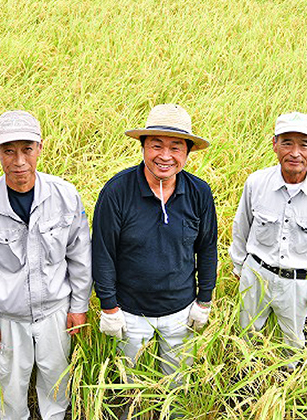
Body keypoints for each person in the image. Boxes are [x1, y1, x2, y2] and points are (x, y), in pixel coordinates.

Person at [0, 110, 92, 420]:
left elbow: (80, 254)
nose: (19, 160)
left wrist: (79, 306)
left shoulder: (65, 196)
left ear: (40, 148)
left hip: (55, 313)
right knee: (12, 390)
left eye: (27, 149)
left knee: (56, 383)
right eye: (9, 150)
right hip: (8, 318)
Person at [93, 104, 218, 387]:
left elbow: (207, 247)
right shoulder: (117, 191)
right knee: (129, 385)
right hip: (129, 313)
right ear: (143, 147)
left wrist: (204, 300)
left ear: (187, 152)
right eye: (156, 145)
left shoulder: (199, 192)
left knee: (176, 387)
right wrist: (109, 307)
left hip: (181, 312)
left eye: (175, 147)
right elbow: (103, 251)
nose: (165, 156)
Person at [229, 112, 307, 370]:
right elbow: (242, 226)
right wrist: (239, 266)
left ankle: (284, 389)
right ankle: (246, 383)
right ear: (274, 144)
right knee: (247, 336)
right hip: (256, 274)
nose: (295, 153)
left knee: (292, 343)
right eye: (287, 143)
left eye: (304, 144)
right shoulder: (256, 182)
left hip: (299, 283)